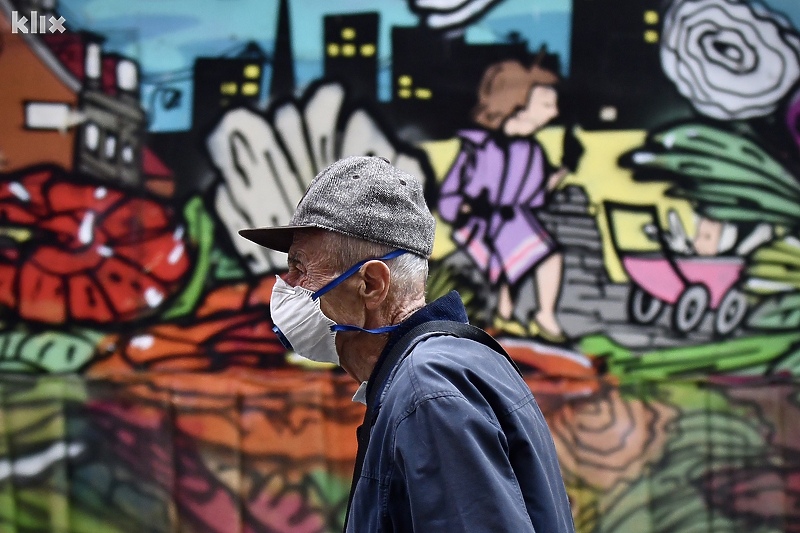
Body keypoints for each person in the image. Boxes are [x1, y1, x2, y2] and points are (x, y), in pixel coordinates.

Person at [239, 155, 574, 533]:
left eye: (301, 267)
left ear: (371, 285)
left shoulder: (428, 392)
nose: (288, 284)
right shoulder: (449, 368)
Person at [438, 59, 583, 343]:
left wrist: (565, 167)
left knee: (537, 256)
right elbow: (450, 196)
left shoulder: (532, 151)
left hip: (514, 219)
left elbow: (536, 196)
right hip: (481, 222)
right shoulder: (477, 148)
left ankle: (522, 317)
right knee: (528, 261)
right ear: (517, 104)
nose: (553, 112)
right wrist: (467, 207)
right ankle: (524, 317)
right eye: (545, 104)